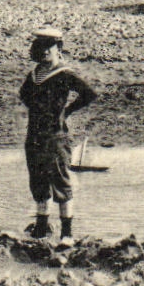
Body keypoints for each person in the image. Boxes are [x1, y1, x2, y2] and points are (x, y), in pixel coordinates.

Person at [18, 27, 97, 241]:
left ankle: (67, 234)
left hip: (55, 136)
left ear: (58, 48)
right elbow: (23, 94)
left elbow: (89, 94)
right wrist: (39, 110)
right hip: (34, 134)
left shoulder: (64, 73)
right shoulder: (34, 74)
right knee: (38, 179)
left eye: (49, 47)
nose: (44, 52)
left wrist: (66, 110)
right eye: (40, 47)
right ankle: (41, 226)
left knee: (60, 181)